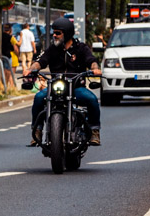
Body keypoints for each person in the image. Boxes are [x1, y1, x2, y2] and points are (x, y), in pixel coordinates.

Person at [21, 16, 102, 147]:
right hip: (55, 86)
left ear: (67, 34)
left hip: (76, 87)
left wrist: (95, 69)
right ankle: (37, 130)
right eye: (54, 32)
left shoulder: (80, 48)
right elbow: (41, 61)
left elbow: (91, 60)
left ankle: (94, 131)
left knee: (92, 99)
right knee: (38, 98)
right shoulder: (53, 49)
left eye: (58, 33)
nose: (55, 35)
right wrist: (30, 69)